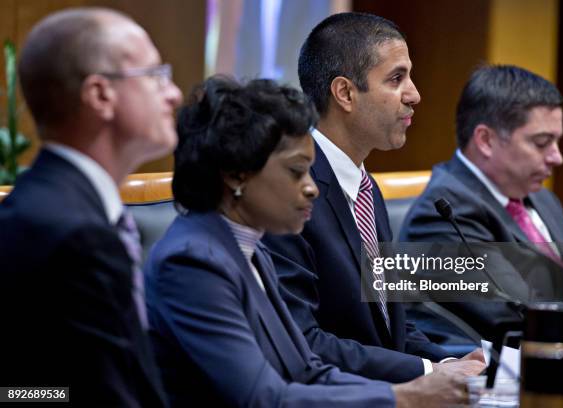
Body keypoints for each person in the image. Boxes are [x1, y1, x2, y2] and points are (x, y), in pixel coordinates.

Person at [145, 75, 469, 407]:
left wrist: (421, 386)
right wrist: (404, 398)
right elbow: (263, 399)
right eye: (296, 171)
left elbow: (310, 372)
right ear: (235, 174)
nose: (311, 186)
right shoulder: (192, 262)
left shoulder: (249, 249)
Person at [262, 12, 484, 383]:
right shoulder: (288, 191)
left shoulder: (365, 185)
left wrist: (448, 363)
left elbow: (389, 326)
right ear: (345, 93)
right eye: (397, 79)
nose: (415, 95)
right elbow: (302, 340)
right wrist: (425, 370)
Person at [0, 7, 182, 406]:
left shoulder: (52, 205)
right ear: (100, 95)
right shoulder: (76, 235)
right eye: (154, 76)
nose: (174, 93)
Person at [399, 64, 563, 339]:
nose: (557, 157)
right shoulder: (443, 213)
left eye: (557, 142)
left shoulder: (543, 199)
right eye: (542, 142)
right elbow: (517, 317)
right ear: (486, 140)